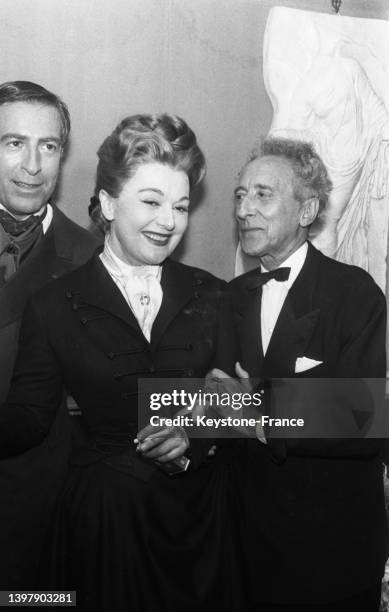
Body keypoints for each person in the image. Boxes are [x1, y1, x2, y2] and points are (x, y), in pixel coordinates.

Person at [0, 114, 240, 611]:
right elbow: (26, 419)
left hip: (199, 526)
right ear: (109, 203)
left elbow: (247, 400)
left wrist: (201, 429)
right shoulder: (54, 303)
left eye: (180, 205)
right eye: (151, 202)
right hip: (104, 527)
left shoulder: (216, 295)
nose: (169, 221)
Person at [211, 138, 387, 611]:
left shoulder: (355, 293)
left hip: (330, 559)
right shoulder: (227, 299)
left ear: (307, 210)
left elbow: (363, 415)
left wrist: (252, 410)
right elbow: (209, 409)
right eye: (240, 195)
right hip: (244, 553)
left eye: (263, 195)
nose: (245, 209)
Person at [0, 80, 99, 588]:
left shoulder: (90, 259)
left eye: (49, 146)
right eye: (14, 143)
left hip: (41, 509)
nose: (32, 165)